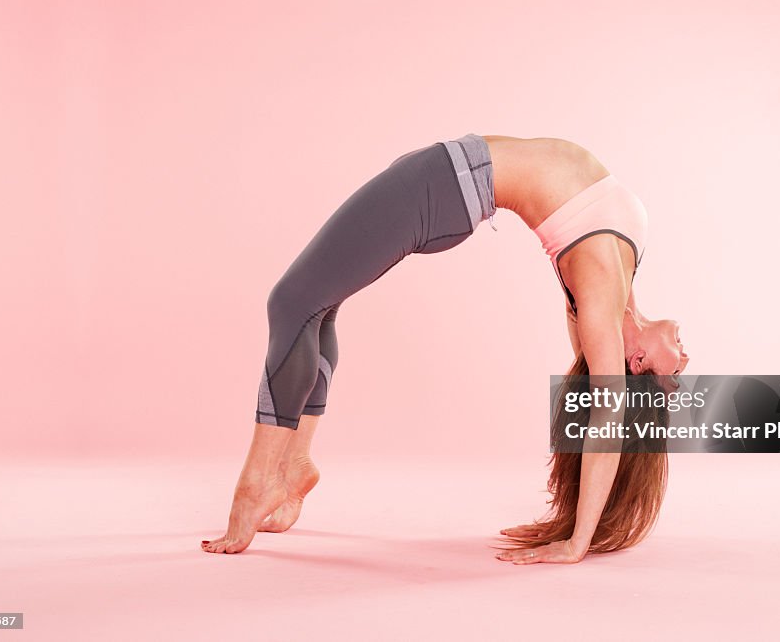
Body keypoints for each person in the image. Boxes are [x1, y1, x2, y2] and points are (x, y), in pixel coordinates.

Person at [201, 133, 689, 563]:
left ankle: (257, 481)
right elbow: (590, 404)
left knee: (291, 303)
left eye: (671, 379)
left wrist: (577, 541)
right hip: (448, 177)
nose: (684, 362)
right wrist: (567, 517)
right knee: (319, 305)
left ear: (637, 362)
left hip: (444, 185)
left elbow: (605, 417)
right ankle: (294, 466)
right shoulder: (613, 289)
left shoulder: (602, 300)